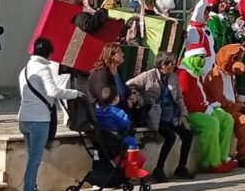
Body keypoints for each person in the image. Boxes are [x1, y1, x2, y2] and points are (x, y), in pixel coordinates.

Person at [18, 38, 81, 191]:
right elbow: (53, 91)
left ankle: (31, 190)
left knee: (32, 158)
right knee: (35, 160)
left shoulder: (25, 69)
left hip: (23, 118)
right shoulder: (43, 68)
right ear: (48, 53)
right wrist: (75, 93)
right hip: (39, 119)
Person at [127, 53, 195, 183]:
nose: (173, 66)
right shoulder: (148, 76)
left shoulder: (173, 77)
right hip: (155, 116)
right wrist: (140, 100)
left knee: (187, 134)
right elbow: (129, 85)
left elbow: (179, 96)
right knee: (170, 136)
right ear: (162, 64)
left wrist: (183, 114)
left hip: (171, 115)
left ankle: (181, 167)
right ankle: (159, 168)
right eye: (170, 64)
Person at [204, 44, 245, 168]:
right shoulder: (215, 75)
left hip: (234, 107)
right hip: (223, 109)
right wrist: (238, 108)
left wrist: (241, 105)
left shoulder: (230, 75)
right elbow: (220, 100)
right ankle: (242, 155)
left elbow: (234, 95)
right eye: (236, 58)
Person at [177, 47, 237, 174]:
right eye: (199, 57)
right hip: (190, 113)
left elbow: (203, 93)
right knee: (211, 123)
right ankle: (211, 162)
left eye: (204, 57)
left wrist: (213, 105)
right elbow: (185, 98)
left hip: (205, 108)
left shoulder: (196, 72)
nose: (202, 60)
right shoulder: (183, 74)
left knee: (227, 119)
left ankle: (223, 157)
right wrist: (204, 108)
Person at [94, 85, 150, 182]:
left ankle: (124, 165)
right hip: (115, 138)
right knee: (132, 142)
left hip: (102, 139)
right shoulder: (117, 112)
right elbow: (125, 124)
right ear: (116, 99)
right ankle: (132, 168)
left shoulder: (98, 111)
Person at [86, 43, 141, 110]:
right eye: (120, 52)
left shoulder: (116, 69)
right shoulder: (101, 76)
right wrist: (126, 103)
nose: (123, 54)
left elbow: (122, 87)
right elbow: (106, 100)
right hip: (107, 114)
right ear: (111, 56)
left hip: (122, 108)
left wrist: (130, 94)